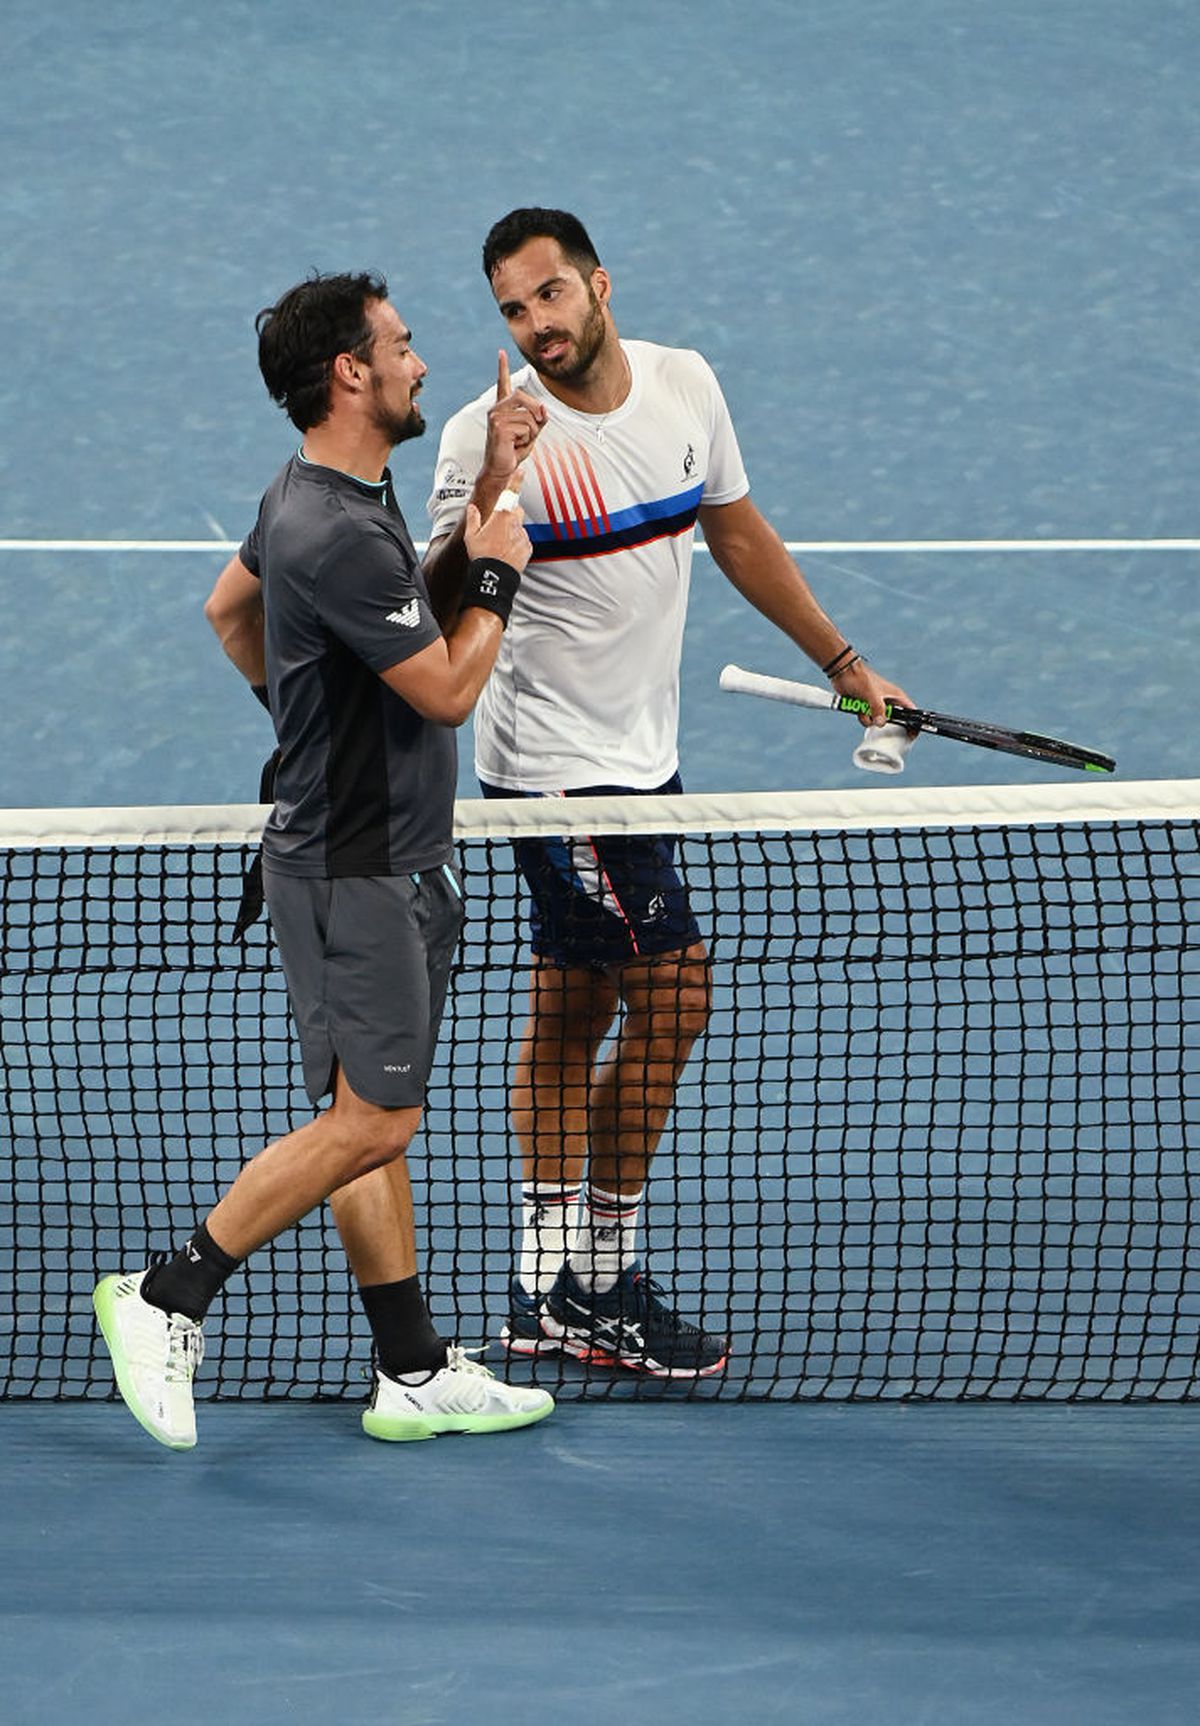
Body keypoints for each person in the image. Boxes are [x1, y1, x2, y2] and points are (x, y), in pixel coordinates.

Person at [423, 208, 913, 1380]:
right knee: (678, 996)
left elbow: (736, 534)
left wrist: (845, 669)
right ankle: (600, 1275)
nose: (533, 325)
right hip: (552, 771)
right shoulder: (481, 438)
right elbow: (435, 605)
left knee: (574, 1010)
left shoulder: (687, 387)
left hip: (648, 760)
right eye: (511, 309)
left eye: (548, 296)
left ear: (599, 285)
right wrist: (498, 478)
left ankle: (545, 1281)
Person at [92, 270, 553, 1450]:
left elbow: (229, 612)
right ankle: (164, 1295)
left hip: (352, 857)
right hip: (359, 872)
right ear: (350, 371)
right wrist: (501, 559)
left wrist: (484, 496)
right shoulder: (336, 527)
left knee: (359, 1110)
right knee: (377, 1124)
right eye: (400, 346)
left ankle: (409, 1368)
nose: (421, 363)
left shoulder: (322, 492)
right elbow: (447, 685)